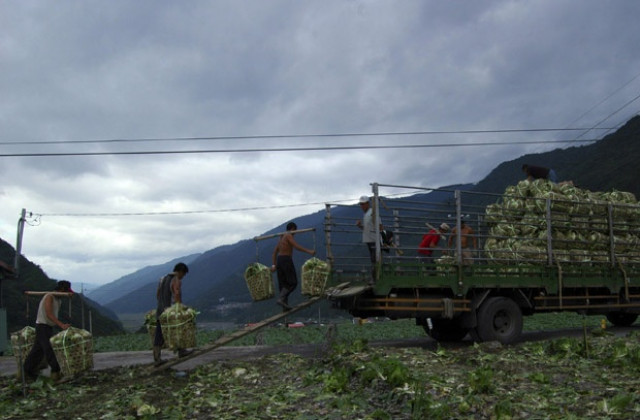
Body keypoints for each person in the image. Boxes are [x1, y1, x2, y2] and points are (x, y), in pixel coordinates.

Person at [22, 280, 74, 381]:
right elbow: (49, 314)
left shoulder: (58, 299)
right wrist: (61, 325)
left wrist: (69, 295)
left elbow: (70, 294)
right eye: (66, 291)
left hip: (48, 327)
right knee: (49, 349)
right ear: (62, 289)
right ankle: (55, 372)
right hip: (42, 326)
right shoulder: (49, 297)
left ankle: (27, 370)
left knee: (38, 350)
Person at [153, 262, 192, 366]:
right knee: (179, 329)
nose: (183, 277)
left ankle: (157, 358)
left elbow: (157, 295)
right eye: (183, 274)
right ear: (180, 272)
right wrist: (180, 308)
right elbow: (177, 294)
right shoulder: (176, 280)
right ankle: (181, 351)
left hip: (160, 310)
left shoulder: (162, 279)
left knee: (159, 333)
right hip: (170, 312)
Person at [270, 222, 315, 311]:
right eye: (295, 230)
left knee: (283, 284)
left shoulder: (281, 238)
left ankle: (284, 306)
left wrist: (274, 265)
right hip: (286, 260)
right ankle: (282, 299)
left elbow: (275, 252)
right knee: (293, 282)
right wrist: (309, 251)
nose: (295, 233)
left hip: (279, 260)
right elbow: (296, 246)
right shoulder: (288, 235)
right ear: (292, 228)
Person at [355, 195, 380, 284]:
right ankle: (374, 278)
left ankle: (375, 279)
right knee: (373, 259)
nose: (361, 206)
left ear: (367, 203)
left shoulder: (372, 213)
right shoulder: (366, 214)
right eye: (361, 204)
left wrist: (380, 238)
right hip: (369, 240)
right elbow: (367, 228)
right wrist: (360, 226)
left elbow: (380, 226)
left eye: (363, 204)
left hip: (374, 240)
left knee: (374, 259)